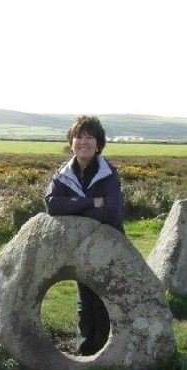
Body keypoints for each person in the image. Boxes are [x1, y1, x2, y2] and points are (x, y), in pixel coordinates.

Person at [44, 115, 124, 356]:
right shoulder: (63, 174)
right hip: (77, 246)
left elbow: (112, 213)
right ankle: (85, 349)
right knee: (84, 300)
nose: (84, 142)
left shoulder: (108, 174)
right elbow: (52, 205)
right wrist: (91, 202)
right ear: (71, 142)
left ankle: (103, 353)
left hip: (105, 245)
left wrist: (75, 210)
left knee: (102, 299)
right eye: (79, 136)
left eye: (90, 137)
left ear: (98, 143)